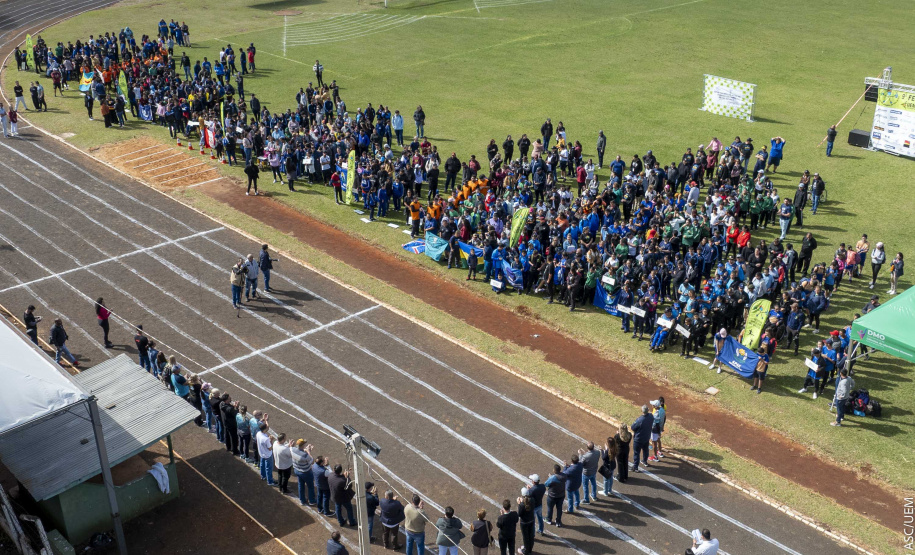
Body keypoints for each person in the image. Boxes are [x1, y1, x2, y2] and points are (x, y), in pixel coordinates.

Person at [291, 439, 316, 505]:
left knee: (301, 485)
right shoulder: (305, 455)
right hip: (305, 472)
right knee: (310, 486)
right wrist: (309, 451)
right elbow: (311, 460)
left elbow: (296, 450)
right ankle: (311, 500)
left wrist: (306, 450)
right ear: (302, 445)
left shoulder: (292, 449)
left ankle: (302, 500)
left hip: (297, 470)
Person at [631, 405, 653, 472]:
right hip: (646, 437)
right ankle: (645, 461)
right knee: (646, 450)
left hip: (639, 439)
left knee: (636, 453)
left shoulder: (640, 420)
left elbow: (633, 427)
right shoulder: (651, 416)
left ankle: (635, 467)